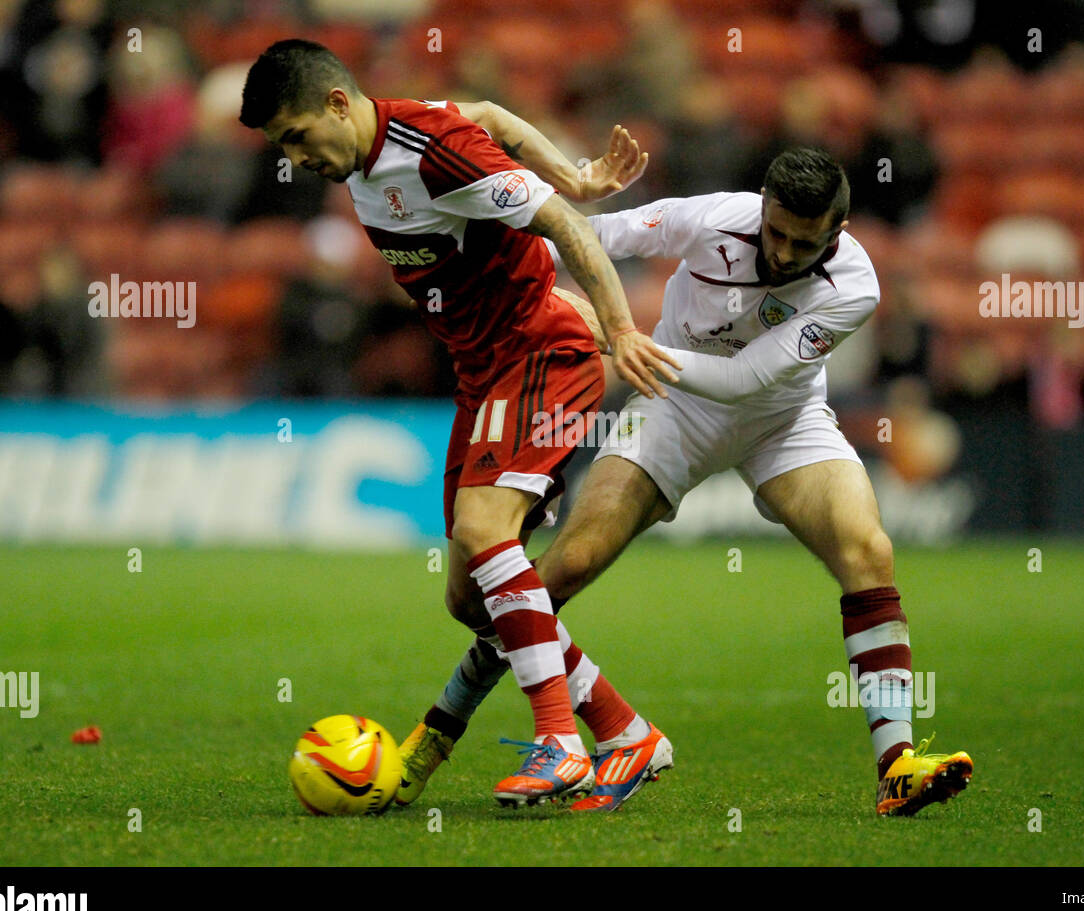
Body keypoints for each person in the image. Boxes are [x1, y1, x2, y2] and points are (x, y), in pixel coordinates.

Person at [400, 142, 974, 816]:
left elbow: (746, 380)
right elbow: (594, 234)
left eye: (805, 242)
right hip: (672, 411)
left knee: (869, 551)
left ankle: (897, 766)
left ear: (836, 232)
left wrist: (624, 341)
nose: (786, 253)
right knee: (559, 572)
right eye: (778, 232)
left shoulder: (854, 286)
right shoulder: (713, 218)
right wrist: (504, 272)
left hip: (781, 420)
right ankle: (444, 723)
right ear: (763, 209)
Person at [239, 39, 680, 806]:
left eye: (297, 136)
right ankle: (622, 729)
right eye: (283, 145)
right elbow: (489, 113)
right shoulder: (395, 140)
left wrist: (621, 328)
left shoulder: (434, 152)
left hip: (542, 351)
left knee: (486, 531)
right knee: (470, 600)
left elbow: (567, 229)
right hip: (484, 377)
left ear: (338, 104)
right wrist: (572, 165)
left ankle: (557, 743)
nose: (295, 157)